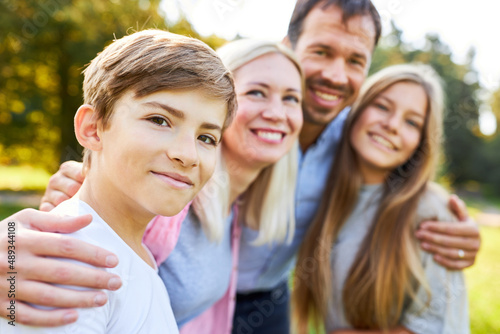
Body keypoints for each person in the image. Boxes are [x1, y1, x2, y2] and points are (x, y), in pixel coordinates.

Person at [0, 0, 480, 331]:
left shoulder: (355, 137)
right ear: (289, 45)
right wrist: (17, 246)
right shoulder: (185, 174)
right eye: (321, 52)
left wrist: (450, 221)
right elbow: (91, 214)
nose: (336, 74)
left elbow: (402, 170)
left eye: (356, 60)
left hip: (260, 300)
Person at [0, 29, 236, 333]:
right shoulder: (70, 267)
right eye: (159, 120)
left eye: (206, 137)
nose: (187, 155)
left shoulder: (135, 256)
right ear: (93, 129)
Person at [293, 64, 469, 334]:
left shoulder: (432, 211)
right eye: (382, 107)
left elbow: (440, 327)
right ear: (357, 110)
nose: (392, 125)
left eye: (412, 122)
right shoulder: (323, 194)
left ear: (420, 143)